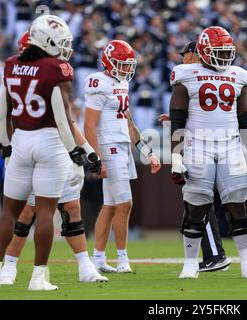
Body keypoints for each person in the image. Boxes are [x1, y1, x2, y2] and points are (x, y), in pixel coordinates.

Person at [0, 15, 84, 292]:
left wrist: (7, 146)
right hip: (49, 141)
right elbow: (62, 118)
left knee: (8, 214)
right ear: (48, 41)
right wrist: (74, 152)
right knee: (46, 214)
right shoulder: (56, 68)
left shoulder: (11, 64)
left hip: (21, 140)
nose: (64, 48)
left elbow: (3, 114)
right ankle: (38, 278)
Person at [0, 29, 107, 285]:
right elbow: (8, 118)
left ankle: (85, 266)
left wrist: (89, 151)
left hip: (60, 151)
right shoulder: (32, 73)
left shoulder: (47, 73)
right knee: (27, 212)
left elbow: (68, 121)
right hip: (39, 152)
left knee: (72, 209)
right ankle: (9, 266)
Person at [169, 26, 247, 279]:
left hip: (231, 145)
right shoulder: (186, 74)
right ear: (203, 51)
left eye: (226, 52)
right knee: (196, 207)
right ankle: (190, 265)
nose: (224, 58)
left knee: (238, 205)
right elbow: (177, 120)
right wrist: (177, 158)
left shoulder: (237, 75)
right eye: (218, 52)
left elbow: (246, 119)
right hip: (197, 145)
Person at [84, 40, 161, 274]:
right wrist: (95, 158)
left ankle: (97, 258)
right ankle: (122, 259)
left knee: (109, 205)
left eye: (129, 65)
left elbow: (128, 122)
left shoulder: (123, 83)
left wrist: (147, 152)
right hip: (108, 147)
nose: (127, 69)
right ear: (108, 62)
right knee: (125, 203)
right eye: (121, 64)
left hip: (123, 145)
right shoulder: (98, 82)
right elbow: (89, 125)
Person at [159, 41, 231, 272]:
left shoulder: (193, 76)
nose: (182, 58)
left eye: (185, 54)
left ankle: (215, 255)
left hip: (202, 148)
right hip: (219, 145)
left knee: (200, 203)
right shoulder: (214, 76)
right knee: (199, 203)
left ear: (194, 54)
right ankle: (214, 254)